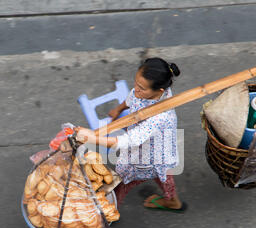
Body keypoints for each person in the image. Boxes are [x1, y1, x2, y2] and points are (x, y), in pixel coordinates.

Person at [74, 57, 187, 212]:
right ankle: (172, 199)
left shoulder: (160, 117)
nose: (136, 89)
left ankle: (109, 211)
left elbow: (128, 140)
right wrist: (119, 109)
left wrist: (91, 138)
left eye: (141, 87)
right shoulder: (150, 91)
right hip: (153, 147)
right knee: (164, 175)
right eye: (136, 83)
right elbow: (132, 96)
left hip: (148, 155)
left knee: (121, 183)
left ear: (160, 91)